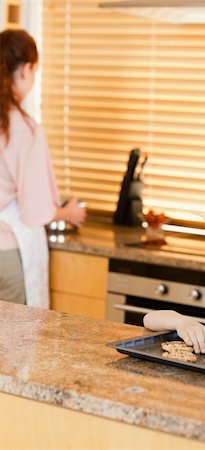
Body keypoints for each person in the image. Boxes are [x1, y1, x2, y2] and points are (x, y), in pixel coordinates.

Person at [0, 29, 86, 308]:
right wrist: (68, 212)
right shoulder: (23, 129)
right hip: (8, 252)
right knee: (13, 346)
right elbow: (34, 210)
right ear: (26, 69)